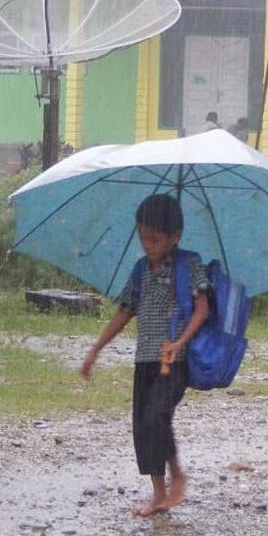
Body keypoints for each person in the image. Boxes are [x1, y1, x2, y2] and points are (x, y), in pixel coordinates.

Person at [81, 194, 210, 516]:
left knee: (157, 417)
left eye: (155, 239)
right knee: (143, 425)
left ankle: (178, 475)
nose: (148, 245)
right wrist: (96, 349)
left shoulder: (188, 264)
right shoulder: (141, 270)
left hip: (173, 361)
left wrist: (179, 342)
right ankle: (158, 494)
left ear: (175, 236)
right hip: (144, 362)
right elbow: (125, 311)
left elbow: (202, 308)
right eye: (143, 238)